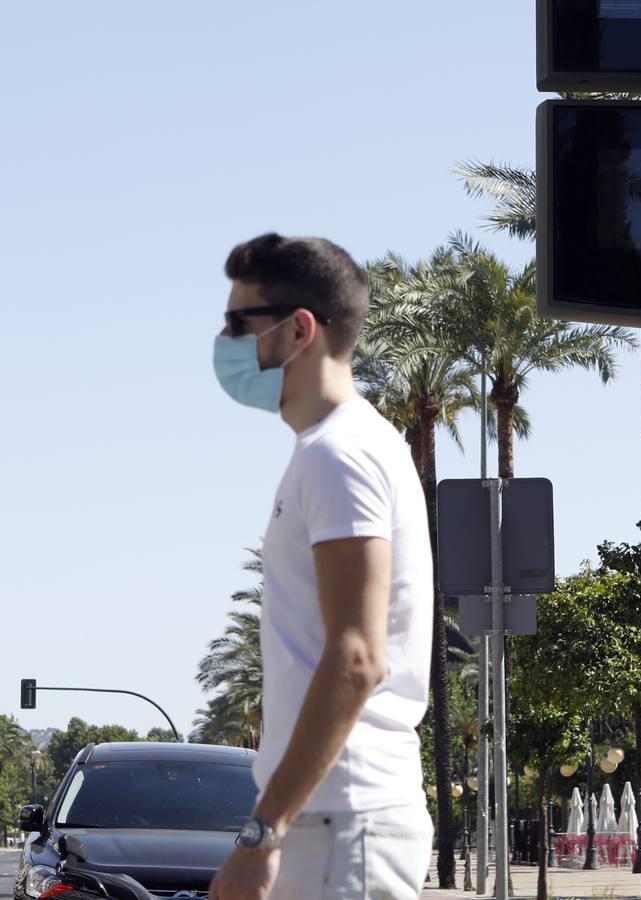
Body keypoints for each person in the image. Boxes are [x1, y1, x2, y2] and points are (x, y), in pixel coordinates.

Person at [208, 233, 434, 900]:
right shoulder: (332, 449)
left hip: (345, 816)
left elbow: (356, 656)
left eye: (237, 322)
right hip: (333, 817)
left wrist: (263, 833)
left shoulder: (341, 455)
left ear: (298, 329)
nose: (225, 343)